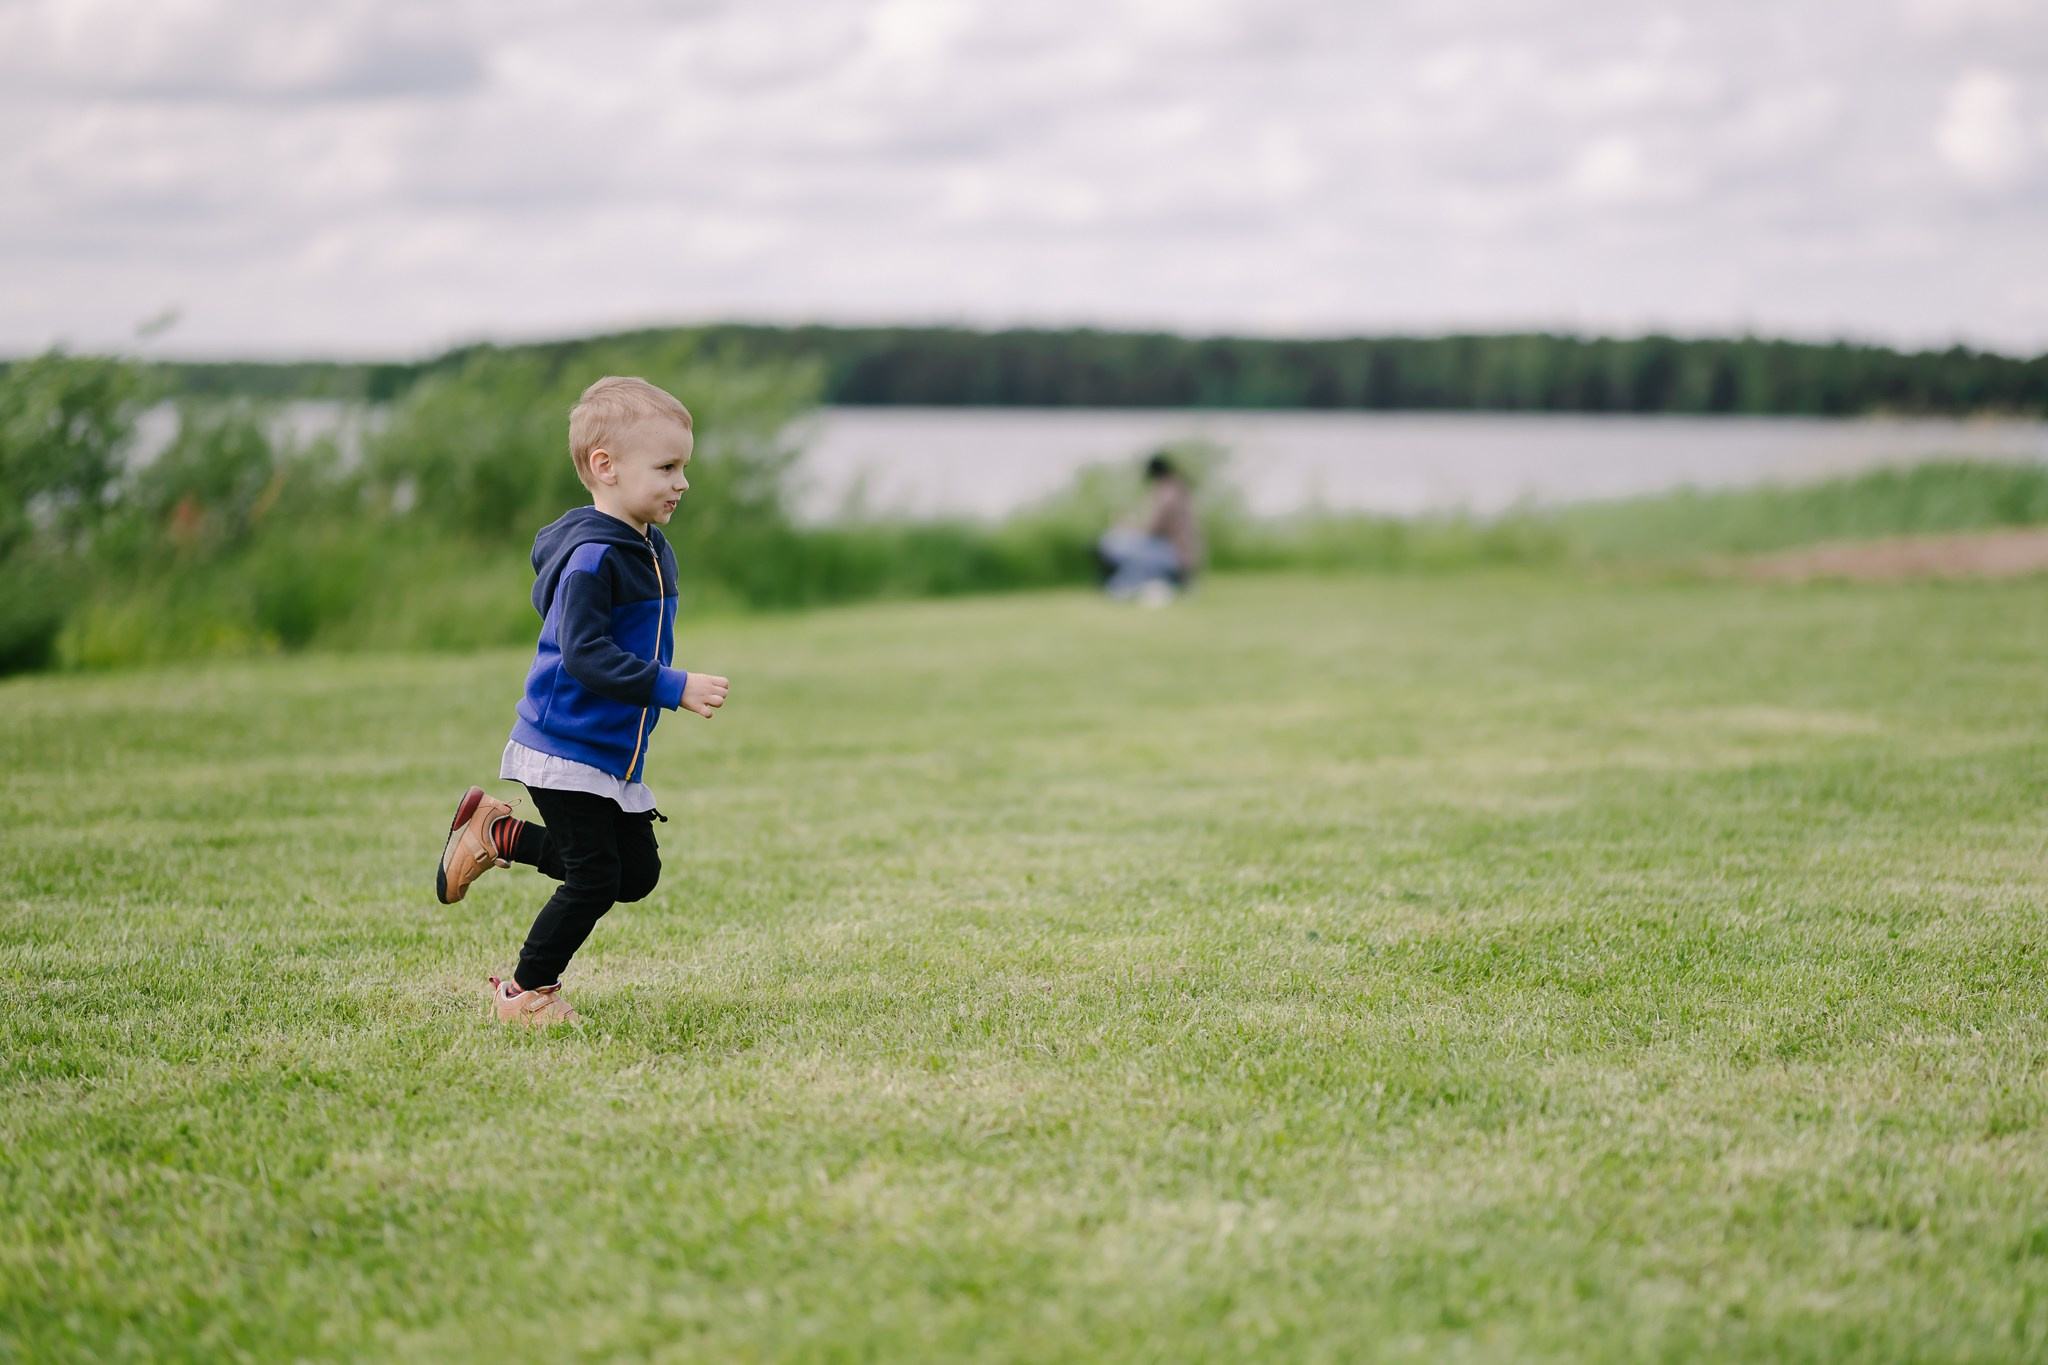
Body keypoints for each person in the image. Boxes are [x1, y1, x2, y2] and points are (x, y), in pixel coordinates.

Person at [434, 375, 730, 1027]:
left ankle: (496, 833)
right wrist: (672, 685)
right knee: (595, 879)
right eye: (667, 466)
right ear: (606, 467)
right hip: (563, 744)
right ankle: (527, 991)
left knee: (634, 875)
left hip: (610, 750)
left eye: (684, 465)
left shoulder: (650, 546)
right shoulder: (593, 555)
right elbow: (584, 655)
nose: (682, 482)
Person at [1096, 452, 1204, 601]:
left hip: (1174, 555)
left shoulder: (1167, 492)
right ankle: (1131, 585)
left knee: (1113, 542)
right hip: (1183, 555)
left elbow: (1153, 528)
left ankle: (1120, 586)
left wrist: (1129, 524)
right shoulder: (1179, 488)